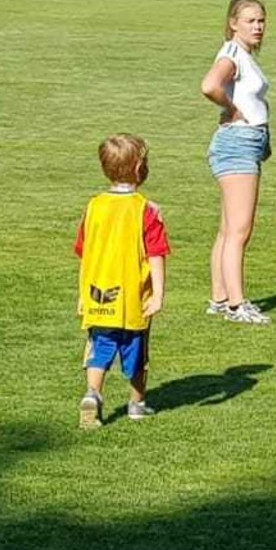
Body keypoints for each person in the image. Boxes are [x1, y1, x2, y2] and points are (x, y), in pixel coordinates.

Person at [75, 134, 170, 429]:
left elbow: (85, 251)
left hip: (98, 292)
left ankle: (92, 394)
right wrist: (158, 294)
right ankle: (136, 403)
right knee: (136, 350)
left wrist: (82, 294)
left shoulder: (94, 206)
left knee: (99, 347)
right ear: (140, 167)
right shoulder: (146, 210)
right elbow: (156, 254)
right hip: (133, 297)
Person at [200, 0, 272, 324]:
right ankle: (236, 304)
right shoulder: (231, 53)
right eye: (250, 21)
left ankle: (220, 298)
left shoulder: (241, 54)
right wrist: (232, 109)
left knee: (228, 228)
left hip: (244, 142)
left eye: (261, 21)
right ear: (233, 23)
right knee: (240, 230)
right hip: (238, 143)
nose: (258, 27)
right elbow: (209, 85)